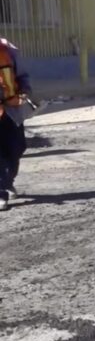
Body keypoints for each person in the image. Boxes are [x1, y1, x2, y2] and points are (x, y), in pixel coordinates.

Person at [0, 37, 30, 212]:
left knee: (17, 148)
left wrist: (25, 91)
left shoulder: (8, 50)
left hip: (11, 110)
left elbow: (22, 76)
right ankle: (1, 191)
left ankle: (7, 181)